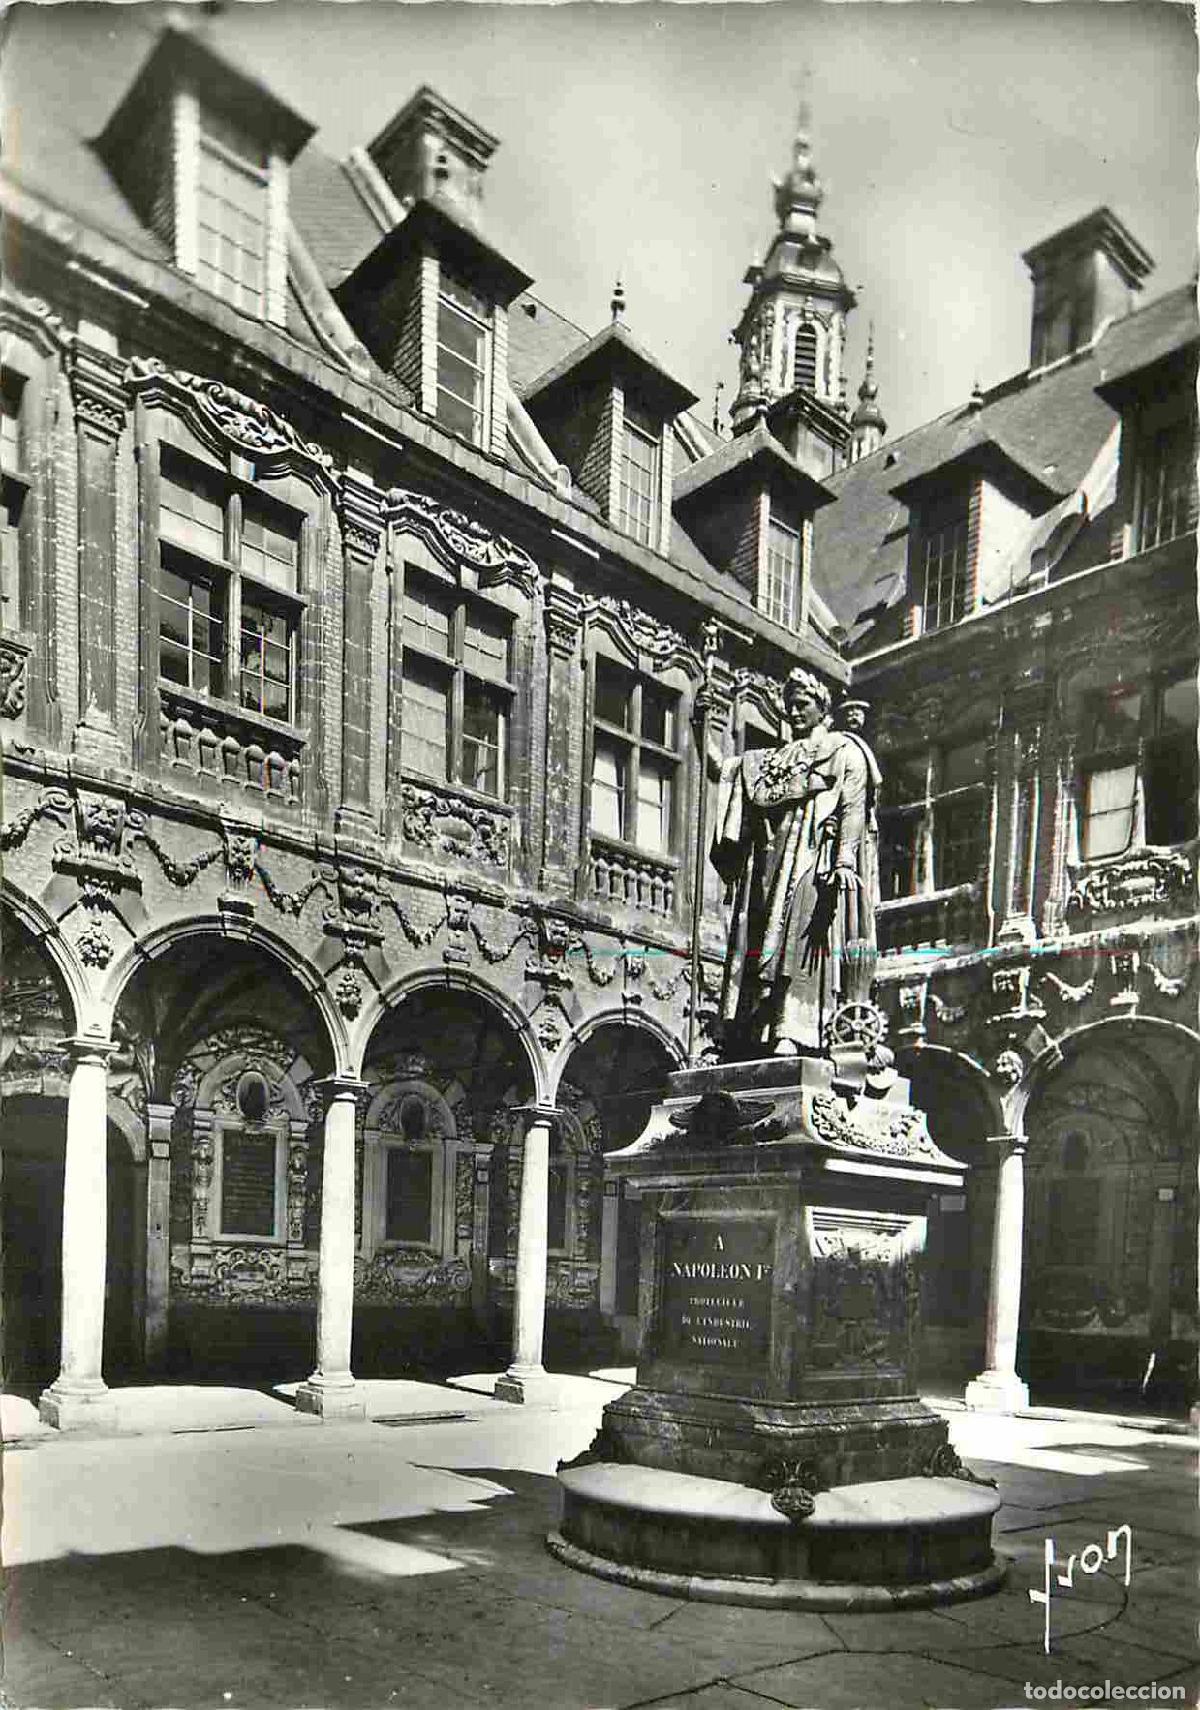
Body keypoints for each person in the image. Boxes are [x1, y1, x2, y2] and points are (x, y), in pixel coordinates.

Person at [706, 669, 877, 1058]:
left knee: (800, 937)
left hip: (811, 856)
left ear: (822, 707)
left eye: (802, 705)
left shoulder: (843, 750)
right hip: (767, 863)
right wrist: (704, 726)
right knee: (757, 940)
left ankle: (792, 1029)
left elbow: (852, 806)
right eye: (790, 706)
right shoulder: (773, 759)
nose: (794, 713)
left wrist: (846, 858)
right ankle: (753, 1030)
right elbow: (727, 772)